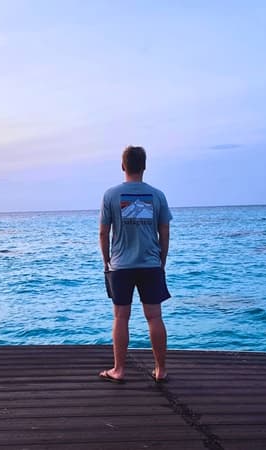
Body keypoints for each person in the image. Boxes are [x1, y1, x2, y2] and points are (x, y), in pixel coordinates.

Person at [98, 145, 172, 384]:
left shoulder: (110, 195)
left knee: (121, 317)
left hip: (121, 266)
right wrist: (161, 261)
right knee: (154, 317)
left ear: (123, 166)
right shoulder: (157, 195)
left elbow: (103, 232)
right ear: (144, 166)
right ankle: (160, 370)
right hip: (150, 264)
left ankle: (119, 370)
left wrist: (106, 260)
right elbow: (164, 232)